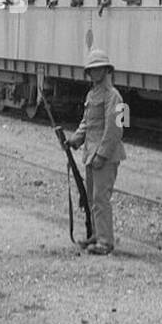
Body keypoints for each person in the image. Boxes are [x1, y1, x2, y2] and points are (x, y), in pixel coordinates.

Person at [66, 49, 127, 255]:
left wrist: (102, 154)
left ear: (106, 70)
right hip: (91, 154)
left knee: (101, 198)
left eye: (97, 69)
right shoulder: (92, 94)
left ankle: (106, 241)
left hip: (106, 156)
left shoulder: (115, 97)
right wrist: (75, 139)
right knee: (92, 198)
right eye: (90, 70)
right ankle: (96, 234)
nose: (93, 73)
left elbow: (115, 130)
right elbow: (87, 123)